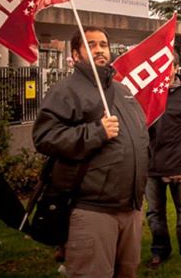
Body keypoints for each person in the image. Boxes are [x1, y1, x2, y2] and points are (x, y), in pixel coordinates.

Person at [33, 27, 149, 278]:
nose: (99, 49)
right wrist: (96, 132)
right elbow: (45, 137)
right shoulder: (66, 90)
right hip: (92, 209)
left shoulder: (123, 91)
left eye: (103, 44)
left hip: (130, 208)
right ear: (75, 54)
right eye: (91, 45)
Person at [145, 54, 181, 273]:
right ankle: (160, 249)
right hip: (152, 166)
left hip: (180, 165)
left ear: (176, 67)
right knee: (154, 213)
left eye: (167, 66)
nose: (164, 70)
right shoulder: (148, 94)